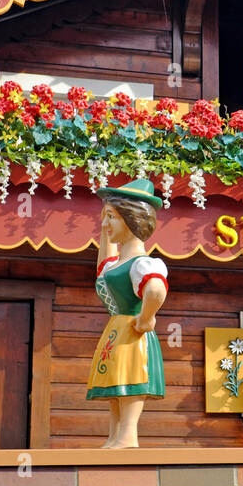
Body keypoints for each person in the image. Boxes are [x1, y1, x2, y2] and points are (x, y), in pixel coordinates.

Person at [87, 179, 168, 449]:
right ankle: (114, 435)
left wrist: (146, 319)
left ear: (132, 220)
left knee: (131, 382)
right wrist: (105, 221)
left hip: (133, 332)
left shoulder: (142, 263)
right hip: (116, 330)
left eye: (111, 217)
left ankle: (127, 436)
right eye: (104, 218)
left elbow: (155, 289)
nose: (104, 224)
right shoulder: (114, 265)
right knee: (115, 384)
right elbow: (102, 267)